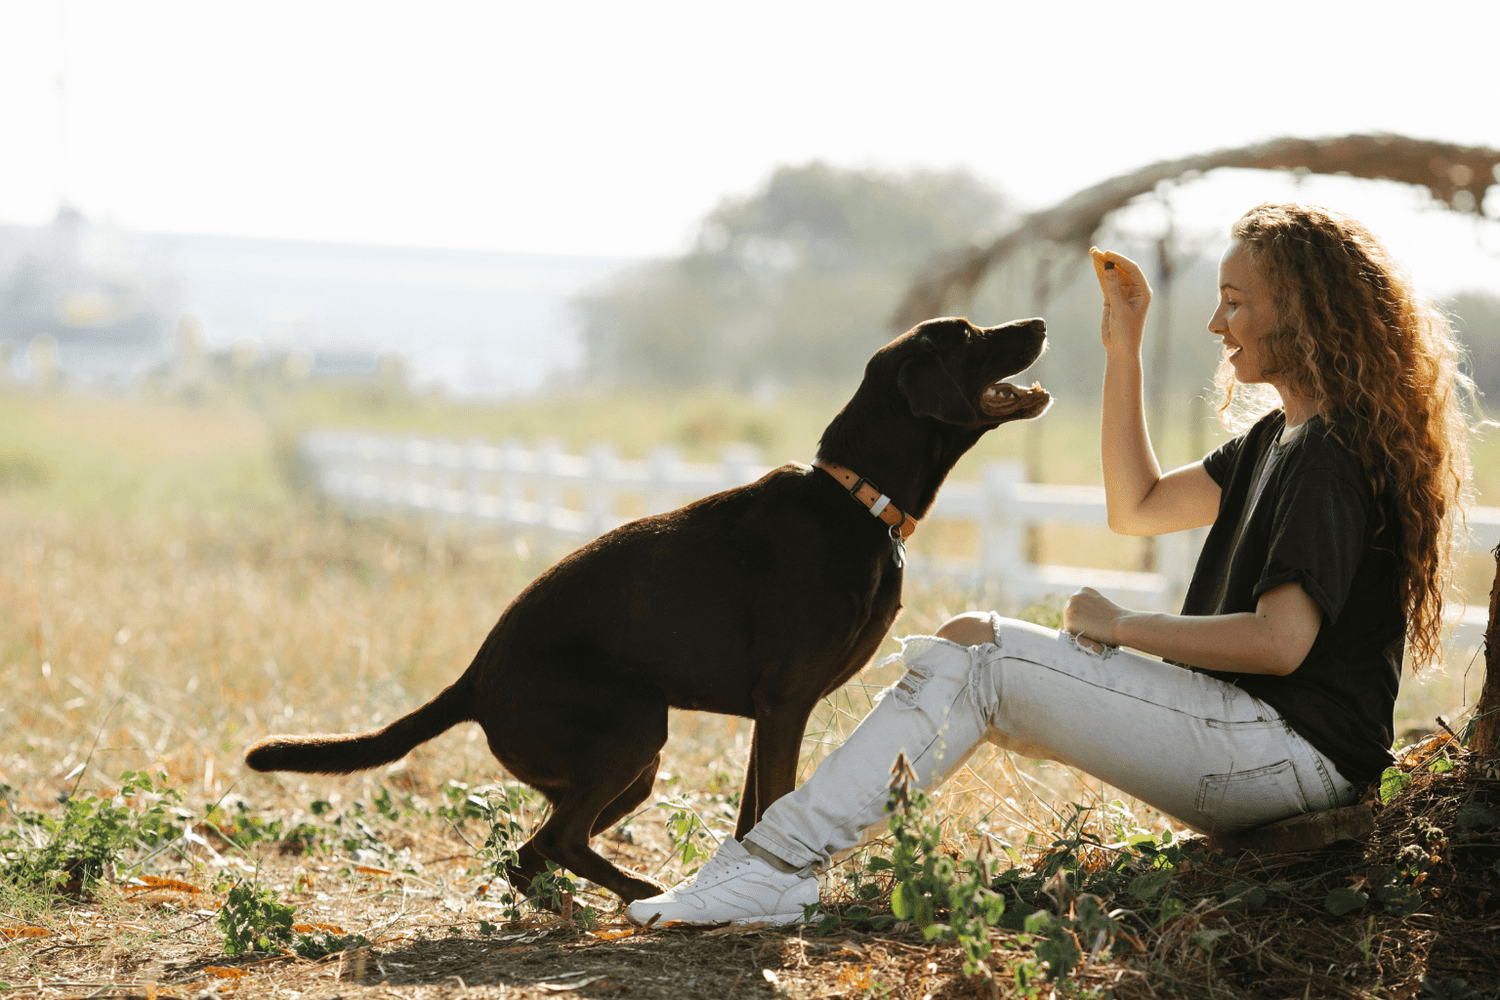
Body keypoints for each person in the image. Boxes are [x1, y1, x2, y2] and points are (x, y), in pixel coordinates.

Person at [625, 203, 1472, 927]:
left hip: (1289, 760)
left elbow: (1281, 643)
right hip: (1257, 745)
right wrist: (1124, 347)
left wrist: (1121, 628)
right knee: (973, 650)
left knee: (982, 653)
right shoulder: (1275, 438)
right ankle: (770, 866)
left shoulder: (1330, 456)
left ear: (1308, 312)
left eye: (1236, 303)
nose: (1218, 326)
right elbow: (1135, 506)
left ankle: (769, 870)